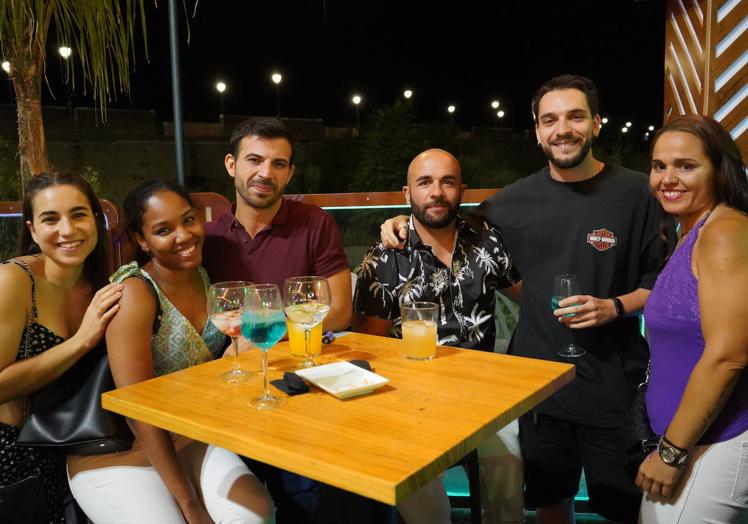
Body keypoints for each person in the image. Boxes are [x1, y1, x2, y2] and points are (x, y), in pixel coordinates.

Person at [380, 75, 670, 523]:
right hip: (536, 387)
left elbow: (663, 281)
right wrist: (398, 222)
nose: (563, 128)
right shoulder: (509, 204)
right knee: (550, 501)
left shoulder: (638, 193)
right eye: (549, 119)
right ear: (537, 131)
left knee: (624, 506)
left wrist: (615, 306)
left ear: (596, 124)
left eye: (575, 116)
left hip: (615, 384)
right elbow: (440, 216)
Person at [67, 180, 275, 523]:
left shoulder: (204, 277)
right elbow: (137, 410)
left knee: (255, 514)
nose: (184, 236)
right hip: (123, 447)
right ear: (141, 240)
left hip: (189, 436)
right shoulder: (135, 293)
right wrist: (190, 504)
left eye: (189, 220)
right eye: (164, 230)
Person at [354, 148, 522, 523]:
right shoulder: (383, 258)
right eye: (425, 182)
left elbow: (530, 297)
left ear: (461, 188)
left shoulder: (487, 240)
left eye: (447, 181)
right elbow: (370, 346)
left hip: (484, 394)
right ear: (406, 193)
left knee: (508, 471)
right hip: (410, 401)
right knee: (425, 505)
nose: (437, 192)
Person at [202, 117, 352, 522]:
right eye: (255, 160)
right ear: (232, 165)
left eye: (278, 164)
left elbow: (339, 309)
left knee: (316, 502)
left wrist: (263, 331)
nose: (265, 173)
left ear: (290, 173)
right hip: (233, 395)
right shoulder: (207, 238)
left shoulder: (314, 222)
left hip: (301, 387)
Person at [636, 115, 748, 523]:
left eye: (686, 166)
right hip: (686, 443)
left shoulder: (724, 232)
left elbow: (729, 355)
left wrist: (671, 453)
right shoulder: (690, 230)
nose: (668, 178)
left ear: (719, 170)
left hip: (714, 444)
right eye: (659, 165)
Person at [0, 172, 123, 522]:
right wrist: (82, 341)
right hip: (15, 456)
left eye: (78, 214)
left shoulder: (102, 282)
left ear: (96, 221)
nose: (67, 230)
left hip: (77, 447)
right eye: (50, 219)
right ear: (32, 230)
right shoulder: (14, 280)